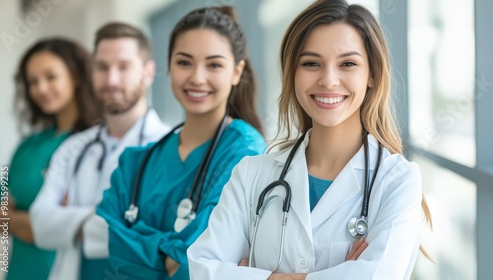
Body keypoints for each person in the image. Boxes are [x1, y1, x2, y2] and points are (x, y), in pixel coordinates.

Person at [187, 0, 432, 279]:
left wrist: (261, 276)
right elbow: (203, 269)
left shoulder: (397, 180)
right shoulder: (251, 175)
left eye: (348, 63)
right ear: (292, 73)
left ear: (372, 75)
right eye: (311, 63)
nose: (328, 80)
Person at [95, 6, 266, 280]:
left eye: (214, 65)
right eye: (184, 62)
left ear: (236, 72)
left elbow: (200, 259)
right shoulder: (134, 163)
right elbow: (117, 252)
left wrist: (146, 248)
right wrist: (171, 258)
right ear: (169, 66)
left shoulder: (244, 150)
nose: (197, 77)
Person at [29, 23, 171, 280]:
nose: (111, 79)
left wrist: (68, 221)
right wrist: (108, 219)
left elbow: (153, 229)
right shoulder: (74, 147)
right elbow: (39, 223)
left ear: (148, 72)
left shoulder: (167, 147)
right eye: (102, 67)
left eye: (123, 66)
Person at [0, 38, 100, 280]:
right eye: (33, 81)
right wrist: (34, 223)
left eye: (50, 77)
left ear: (75, 76)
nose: (41, 88)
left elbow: (86, 226)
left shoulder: (95, 145)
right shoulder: (28, 146)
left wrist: (11, 219)